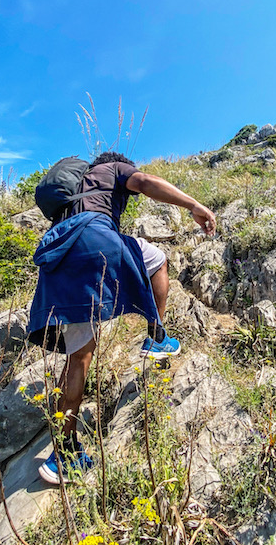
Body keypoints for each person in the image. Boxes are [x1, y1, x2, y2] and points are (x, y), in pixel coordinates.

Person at [27, 152, 216, 484]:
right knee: (156, 259)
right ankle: (157, 338)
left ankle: (63, 454)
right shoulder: (110, 168)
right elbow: (144, 182)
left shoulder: (73, 192)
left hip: (57, 256)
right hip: (95, 236)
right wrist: (193, 206)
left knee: (79, 357)